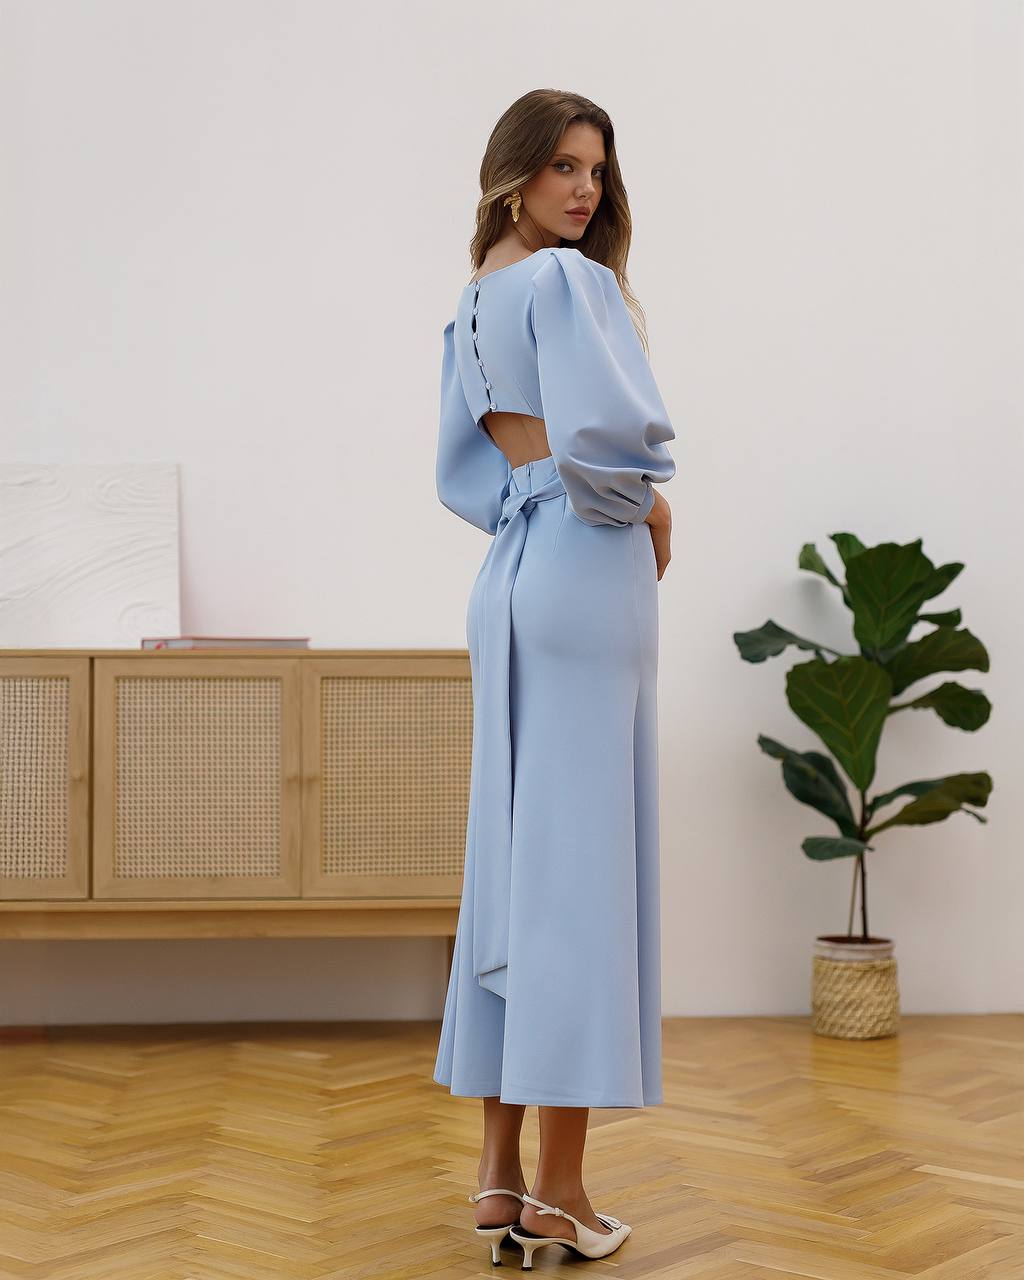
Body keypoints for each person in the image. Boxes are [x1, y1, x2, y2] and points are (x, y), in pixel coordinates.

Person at [431, 88, 677, 1268]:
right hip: (583, 564)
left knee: (516, 865)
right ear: (515, 172)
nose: (584, 188)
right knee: (579, 875)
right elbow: (612, 444)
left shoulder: (474, 300)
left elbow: (462, 472)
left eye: (596, 170)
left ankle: (496, 1175)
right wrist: (650, 506)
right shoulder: (570, 285)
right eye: (563, 167)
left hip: (509, 574)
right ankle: (563, 1191)